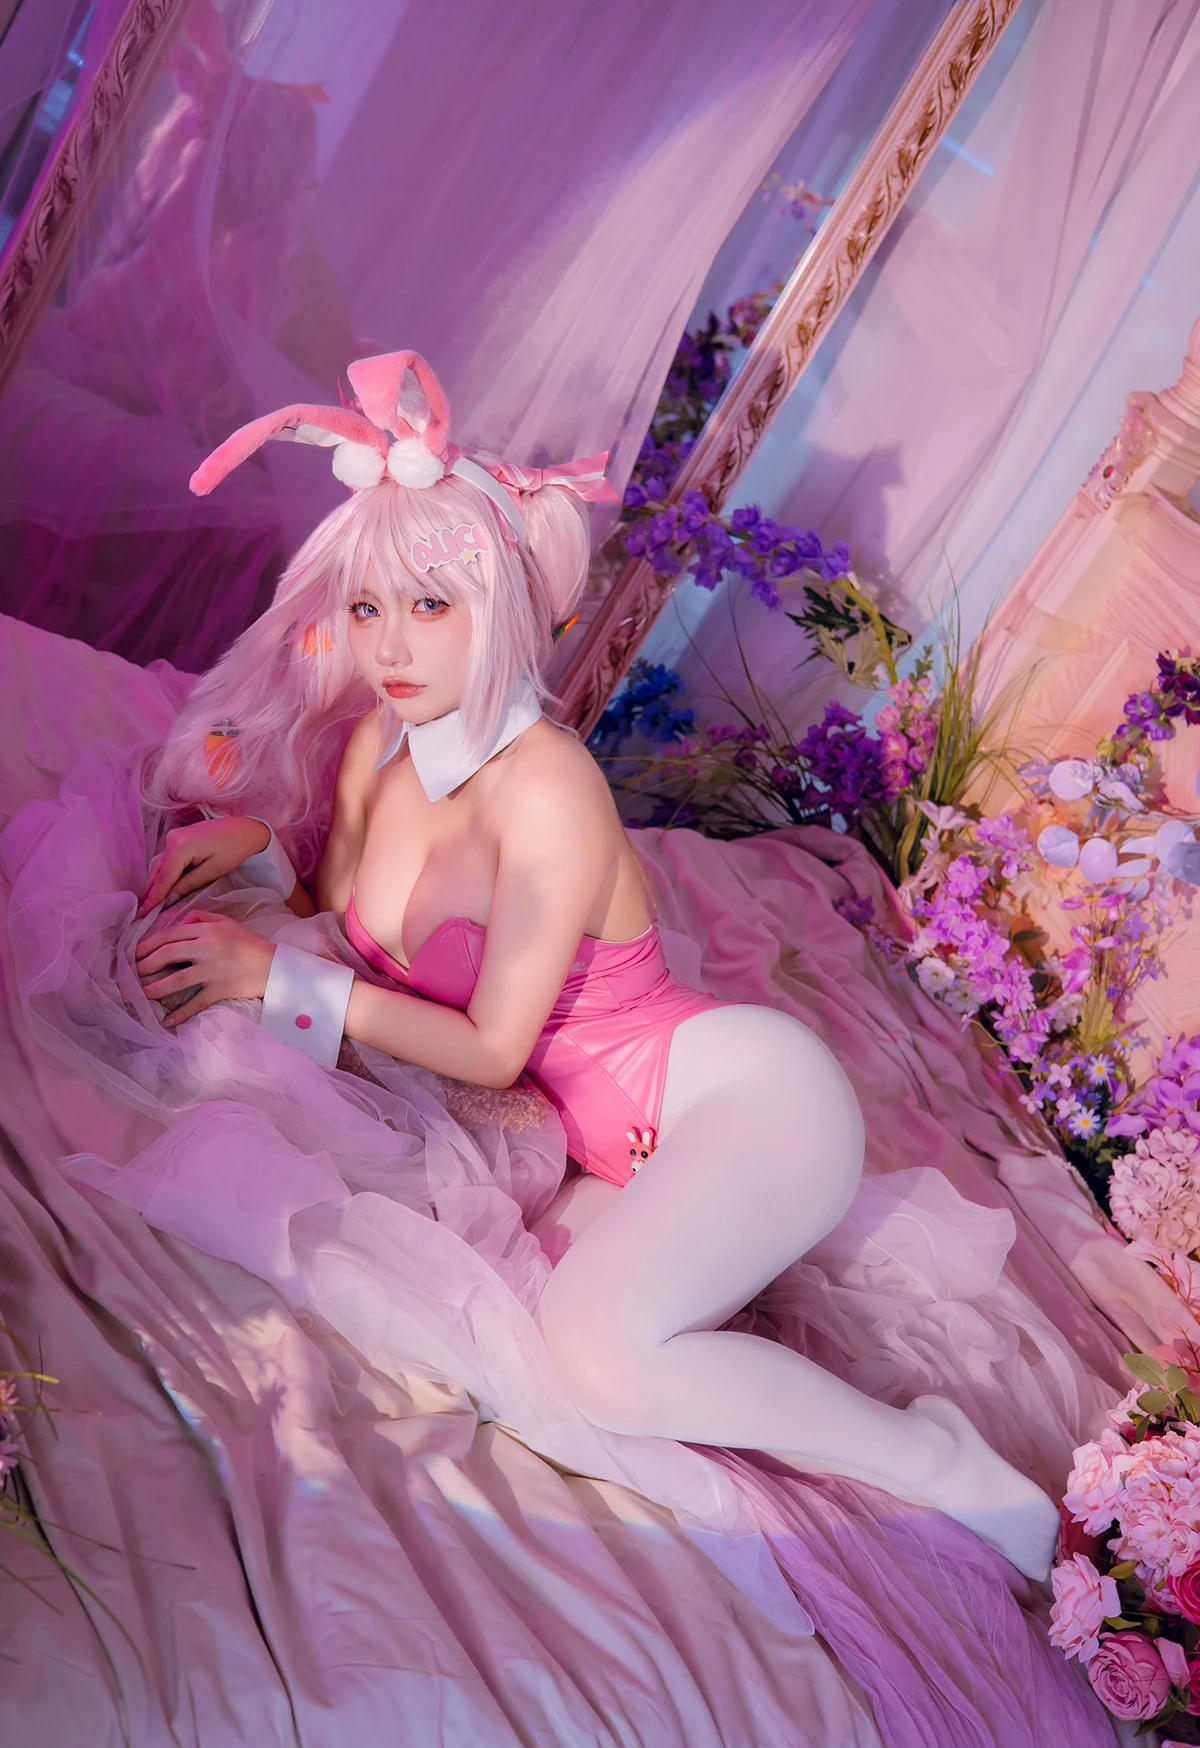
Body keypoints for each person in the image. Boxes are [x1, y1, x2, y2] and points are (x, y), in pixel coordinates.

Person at [129, 350, 1058, 1580]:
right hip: (605, 1150)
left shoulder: (550, 787)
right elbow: (334, 921)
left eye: (430, 607)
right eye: (367, 607)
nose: (391, 646)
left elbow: (490, 1048)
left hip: (746, 1101)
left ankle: (936, 1458)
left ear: (499, 609)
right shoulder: (375, 748)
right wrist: (255, 853)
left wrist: (272, 981)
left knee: (595, 1364)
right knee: (524, 1344)